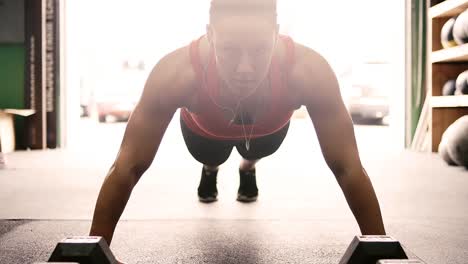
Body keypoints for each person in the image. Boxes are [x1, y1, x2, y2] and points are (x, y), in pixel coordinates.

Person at [90, 0, 386, 253]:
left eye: (259, 50)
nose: (245, 68)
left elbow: (348, 166)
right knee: (212, 155)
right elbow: (127, 165)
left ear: (276, 33)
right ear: (210, 34)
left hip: (267, 134)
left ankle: (248, 167)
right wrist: (93, 249)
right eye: (230, 50)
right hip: (204, 134)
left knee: (254, 149)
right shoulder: (177, 73)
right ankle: (211, 170)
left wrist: (380, 248)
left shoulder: (307, 71)